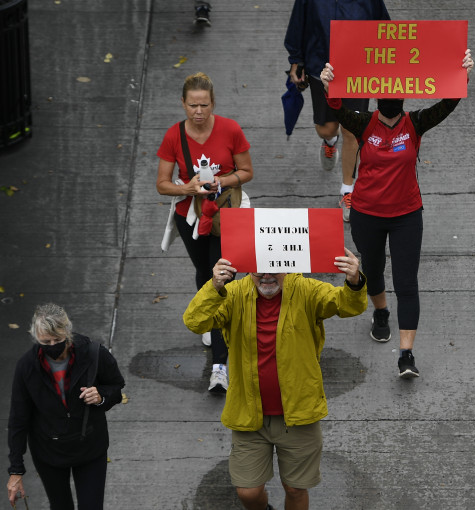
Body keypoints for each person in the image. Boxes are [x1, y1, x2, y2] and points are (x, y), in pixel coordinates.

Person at [319, 49, 474, 378]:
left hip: (406, 216)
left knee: (406, 282)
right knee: (373, 272)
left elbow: (448, 103)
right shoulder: (363, 124)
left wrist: (463, 73)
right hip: (366, 214)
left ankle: (406, 355)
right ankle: (381, 313)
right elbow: (337, 109)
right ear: (375, 95)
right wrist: (328, 83)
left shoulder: (416, 123)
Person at [182, 249, 367, 510]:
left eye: (274, 268)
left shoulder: (306, 290)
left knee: (295, 488)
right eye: (259, 270)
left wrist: (354, 280)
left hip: (299, 416)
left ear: (288, 266)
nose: (267, 276)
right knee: (248, 492)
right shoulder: (233, 294)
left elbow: (349, 304)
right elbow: (195, 321)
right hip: (248, 416)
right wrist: (214, 286)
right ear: (247, 269)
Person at [156, 71, 254, 394]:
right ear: (183, 104)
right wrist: (189, 187)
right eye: (193, 105)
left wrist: (221, 182)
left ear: (213, 103)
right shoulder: (174, 136)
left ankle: (220, 366)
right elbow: (162, 184)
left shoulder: (231, 130)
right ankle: (210, 318)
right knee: (203, 273)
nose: (199, 112)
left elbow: (247, 171)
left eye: (205, 105)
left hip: (226, 216)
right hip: (191, 218)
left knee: (221, 275)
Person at [7, 304, 125, 510]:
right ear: (36, 338)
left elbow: (116, 386)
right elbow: (18, 419)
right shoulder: (27, 367)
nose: (53, 346)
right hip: (49, 453)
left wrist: (101, 396)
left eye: (58, 340)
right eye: (46, 342)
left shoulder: (94, 354)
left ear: (68, 333)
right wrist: (16, 471)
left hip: (90, 447)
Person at [283, 0, 391, 221]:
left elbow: (384, 28)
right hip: (320, 68)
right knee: (326, 129)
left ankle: (347, 190)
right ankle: (329, 143)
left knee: (352, 130)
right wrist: (296, 60)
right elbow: (298, 24)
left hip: (357, 70)